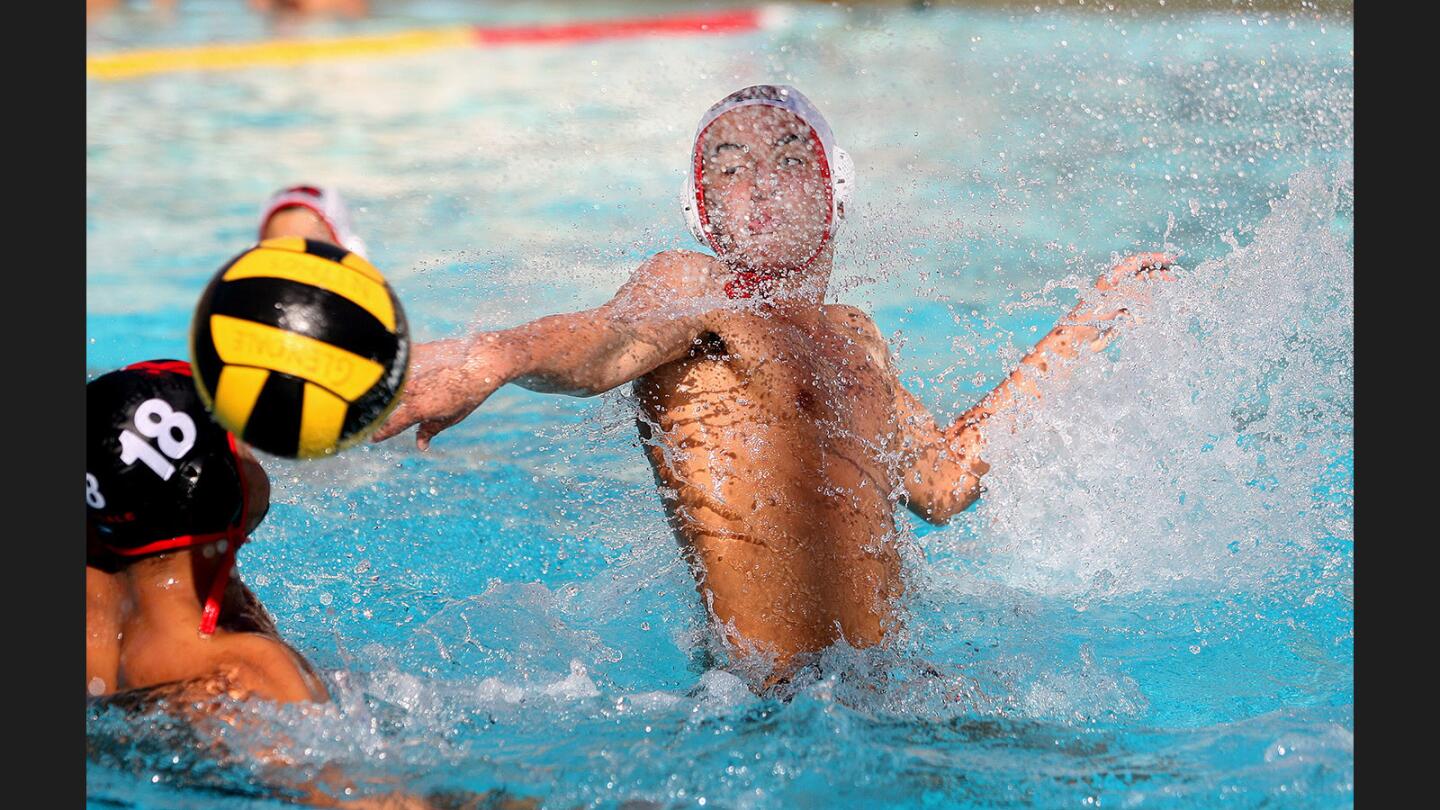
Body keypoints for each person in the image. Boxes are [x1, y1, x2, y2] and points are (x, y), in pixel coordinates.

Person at [371, 84, 1174, 690]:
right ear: (702, 207)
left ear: (834, 194)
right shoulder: (694, 288)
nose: (761, 182)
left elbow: (940, 482)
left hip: (891, 701)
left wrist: (1071, 341)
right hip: (762, 713)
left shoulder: (859, 340)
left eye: (791, 160)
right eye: (731, 166)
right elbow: (606, 340)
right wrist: (494, 357)